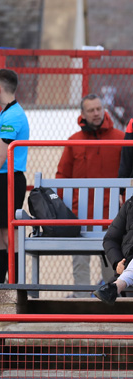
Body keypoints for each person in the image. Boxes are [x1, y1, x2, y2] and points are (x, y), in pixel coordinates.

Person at [58, 94, 122, 295]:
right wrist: (66, 210)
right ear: (82, 114)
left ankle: (110, 304)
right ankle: (81, 304)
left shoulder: (121, 139)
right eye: (91, 110)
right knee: (80, 264)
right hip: (80, 217)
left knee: (112, 267)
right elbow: (62, 176)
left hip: (112, 219)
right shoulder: (74, 141)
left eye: (98, 108)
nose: (96, 113)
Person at [0, 69, 30, 284]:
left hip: (9, 179)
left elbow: (2, 155)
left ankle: (16, 283)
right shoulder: (5, 112)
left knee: (7, 234)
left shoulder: (14, 115)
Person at [94, 196, 133, 304]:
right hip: (127, 261)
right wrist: (117, 263)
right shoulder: (130, 205)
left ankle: (117, 286)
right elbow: (110, 239)